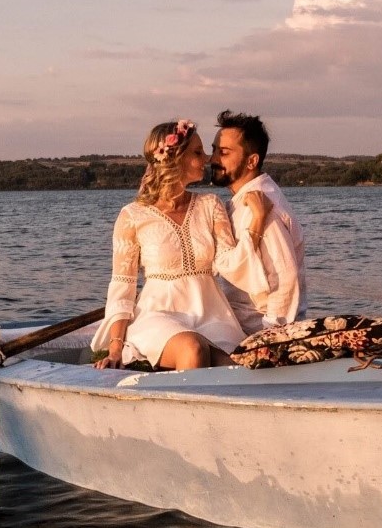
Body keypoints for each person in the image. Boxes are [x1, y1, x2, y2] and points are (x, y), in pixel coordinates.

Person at [91, 119, 266, 371]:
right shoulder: (133, 216)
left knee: (233, 366)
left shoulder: (210, 204)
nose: (207, 158)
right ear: (175, 158)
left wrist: (257, 222)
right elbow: (122, 286)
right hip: (158, 315)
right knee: (193, 348)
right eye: (197, 152)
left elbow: (230, 262)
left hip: (211, 315)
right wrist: (115, 347)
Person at [209, 110, 306, 336]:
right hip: (237, 327)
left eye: (223, 152)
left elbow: (285, 279)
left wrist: (270, 338)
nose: (212, 160)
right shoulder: (244, 201)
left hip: (258, 332)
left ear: (252, 161)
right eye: (214, 150)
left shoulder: (264, 206)